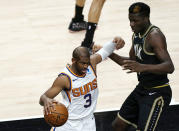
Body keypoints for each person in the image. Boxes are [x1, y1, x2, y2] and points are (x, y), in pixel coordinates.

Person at [109, 2, 175, 131]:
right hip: (142, 89)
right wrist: (107, 53)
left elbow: (169, 66)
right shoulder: (137, 35)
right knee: (118, 125)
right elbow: (130, 63)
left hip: (158, 92)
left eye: (135, 21)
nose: (131, 24)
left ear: (146, 18)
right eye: (130, 20)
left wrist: (142, 67)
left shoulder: (154, 35)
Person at [39, 37, 125, 131]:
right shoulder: (64, 79)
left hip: (89, 122)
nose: (85, 66)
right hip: (69, 123)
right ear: (73, 60)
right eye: (82, 63)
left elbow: (105, 51)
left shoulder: (92, 63)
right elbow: (43, 98)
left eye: (87, 63)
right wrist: (46, 100)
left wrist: (115, 41)